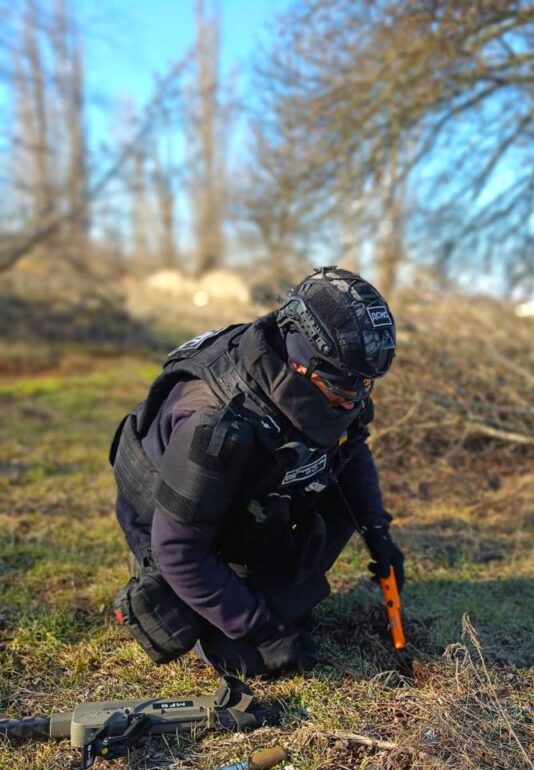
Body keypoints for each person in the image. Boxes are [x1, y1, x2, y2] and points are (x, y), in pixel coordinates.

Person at [110, 266, 405, 712]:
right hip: (178, 527)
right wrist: (262, 631)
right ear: (302, 361)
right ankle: (180, 598)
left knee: (296, 601)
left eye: (365, 385)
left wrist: (378, 534)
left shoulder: (338, 383)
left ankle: (263, 587)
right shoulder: (215, 423)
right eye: (345, 386)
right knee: (249, 656)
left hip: (249, 499)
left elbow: (350, 450)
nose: (355, 398)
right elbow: (178, 550)